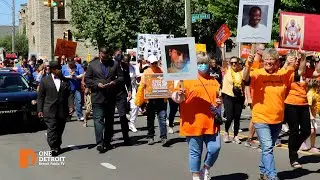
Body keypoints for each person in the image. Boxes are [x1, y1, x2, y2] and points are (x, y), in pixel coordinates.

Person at [243, 48, 305, 180]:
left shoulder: (283, 74)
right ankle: (272, 176)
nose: (269, 62)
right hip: (260, 118)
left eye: (272, 59)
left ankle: (262, 170)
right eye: (266, 59)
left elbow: (298, 73)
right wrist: (248, 64)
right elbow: (246, 79)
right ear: (263, 60)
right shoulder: (258, 73)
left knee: (268, 147)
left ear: (277, 61)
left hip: (277, 119)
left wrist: (300, 58)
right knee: (267, 148)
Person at [172, 54, 222, 180]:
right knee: (195, 152)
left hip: (211, 122)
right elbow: (177, 98)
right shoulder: (186, 80)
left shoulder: (214, 81)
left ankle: (205, 168)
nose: (203, 65)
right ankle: (195, 176)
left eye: (205, 62)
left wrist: (218, 102)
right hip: (193, 122)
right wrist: (179, 95)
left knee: (215, 148)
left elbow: (218, 98)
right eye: (200, 63)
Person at [85, 47, 124, 153]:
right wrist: (96, 84)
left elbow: (121, 77)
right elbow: (87, 79)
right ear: (99, 54)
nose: (104, 58)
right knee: (98, 120)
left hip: (110, 97)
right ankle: (99, 143)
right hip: (97, 96)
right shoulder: (93, 65)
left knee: (109, 121)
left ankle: (107, 141)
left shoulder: (114, 64)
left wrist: (114, 82)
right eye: (102, 56)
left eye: (106, 56)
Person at [37, 61, 74, 156]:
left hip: (62, 109)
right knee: (52, 128)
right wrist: (40, 110)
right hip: (49, 109)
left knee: (60, 129)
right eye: (58, 69)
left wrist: (71, 106)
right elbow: (40, 96)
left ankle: (57, 145)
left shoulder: (65, 81)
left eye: (60, 68)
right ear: (53, 70)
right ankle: (53, 147)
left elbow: (70, 94)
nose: (60, 70)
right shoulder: (45, 80)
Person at [283, 50, 310, 168]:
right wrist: (287, 63)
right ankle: (293, 157)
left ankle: (293, 148)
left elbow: (302, 70)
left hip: (303, 104)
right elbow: (282, 73)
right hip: (290, 104)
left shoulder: (301, 71)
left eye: (297, 59)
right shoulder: (286, 71)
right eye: (294, 58)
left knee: (306, 131)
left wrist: (303, 56)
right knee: (294, 130)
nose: (296, 60)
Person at [140, 55, 168, 146]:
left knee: (162, 118)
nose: (155, 65)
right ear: (149, 63)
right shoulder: (146, 72)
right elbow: (142, 85)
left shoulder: (162, 71)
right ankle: (151, 136)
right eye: (153, 63)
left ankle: (163, 137)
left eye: (156, 63)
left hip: (161, 99)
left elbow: (168, 82)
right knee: (150, 119)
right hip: (150, 100)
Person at [221, 57, 245, 144]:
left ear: (239, 63)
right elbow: (224, 62)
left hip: (239, 97)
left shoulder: (242, 72)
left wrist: (244, 98)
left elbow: (244, 84)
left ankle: (236, 136)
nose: (234, 64)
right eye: (232, 63)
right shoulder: (227, 70)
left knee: (237, 118)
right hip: (228, 96)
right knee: (229, 117)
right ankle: (226, 132)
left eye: (235, 62)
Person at [114, 52, 131, 145]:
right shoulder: (112, 66)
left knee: (123, 116)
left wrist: (129, 90)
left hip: (122, 94)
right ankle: (108, 136)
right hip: (111, 94)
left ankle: (126, 137)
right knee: (108, 116)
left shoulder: (125, 67)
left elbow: (127, 80)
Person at [123, 55, 139, 132]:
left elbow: (136, 78)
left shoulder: (133, 67)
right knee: (122, 108)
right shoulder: (119, 68)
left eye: (128, 61)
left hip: (132, 88)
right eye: (125, 61)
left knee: (136, 105)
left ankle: (132, 123)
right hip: (122, 89)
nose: (126, 62)